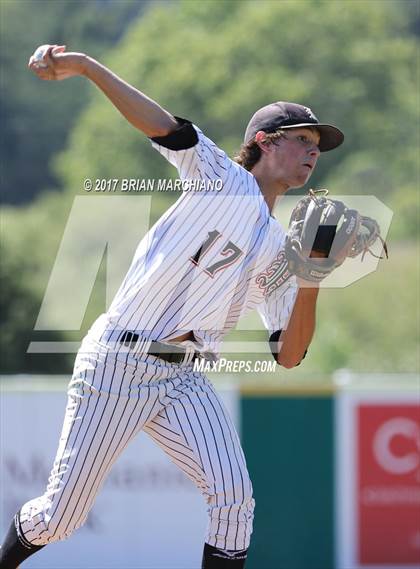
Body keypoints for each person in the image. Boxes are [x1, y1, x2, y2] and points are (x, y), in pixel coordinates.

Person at [0, 45, 344, 569]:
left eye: (318, 146)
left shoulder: (280, 250)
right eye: (303, 139)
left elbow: (289, 355)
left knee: (234, 502)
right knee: (60, 519)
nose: (314, 151)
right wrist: (89, 68)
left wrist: (314, 277)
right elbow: (164, 127)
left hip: (183, 378)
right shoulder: (220, 179)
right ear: (263, 142)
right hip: (118, 362)